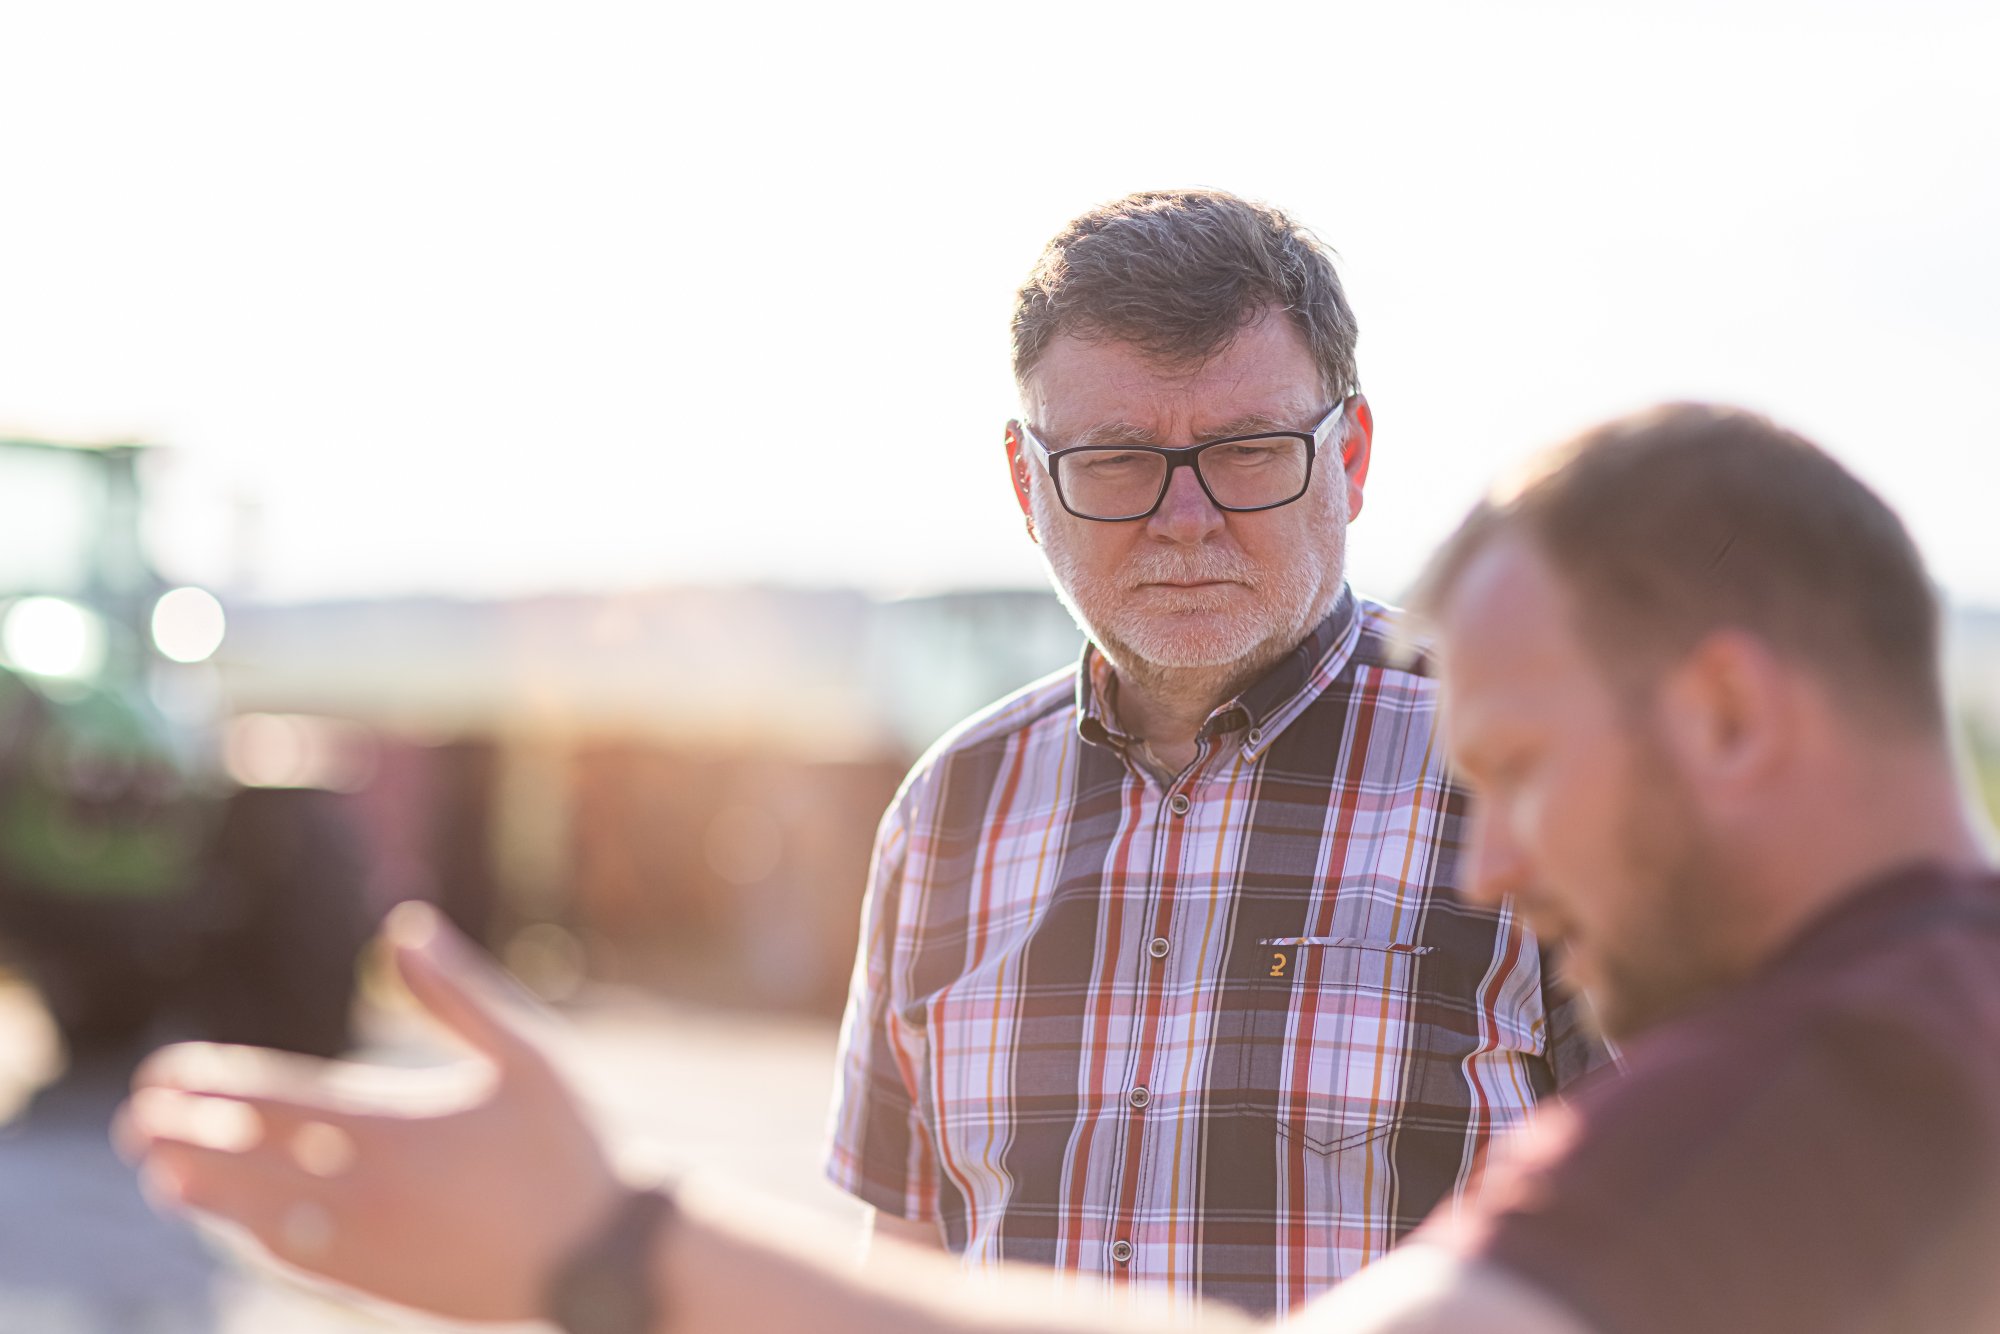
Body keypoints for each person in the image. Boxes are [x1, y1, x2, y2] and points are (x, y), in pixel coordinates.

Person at [120, 401, 2000, 1333]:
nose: (1490, 858)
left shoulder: (1837, 1073)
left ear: (1730, 714)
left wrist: (618, 1243)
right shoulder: (1940, 1022)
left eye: (1513, 769)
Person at [825, 188, 1603, 1315]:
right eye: (1115, 459)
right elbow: (902, 1261)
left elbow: (1702, 1239)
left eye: (1245, 451)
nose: (1184, 519)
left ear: (1350, 457)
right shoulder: (948, 810)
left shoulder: (1539, 775)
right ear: (1026, 484)